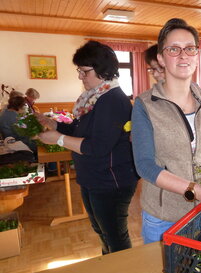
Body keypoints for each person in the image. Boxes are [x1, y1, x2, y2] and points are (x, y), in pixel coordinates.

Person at [37, 40, 139, 254]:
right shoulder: (94, 98)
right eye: (79, 71)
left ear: (102, 70)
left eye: (84, 71)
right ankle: (109, 271)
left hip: (111, 181)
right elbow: (82, 130)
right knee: (102, 232)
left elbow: (98, 147)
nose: (80, 76)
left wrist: (58, 139)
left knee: (114, 237)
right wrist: (55, 125)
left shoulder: (112, 100)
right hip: (94, 177)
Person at [131, 18, 201, 244]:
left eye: (190, 48)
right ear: (161, 58)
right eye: (174, 49)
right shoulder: (145, 105)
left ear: (196, 55)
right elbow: (144, 166)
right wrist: (193, 189)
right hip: (163, 218)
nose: (183, 55)